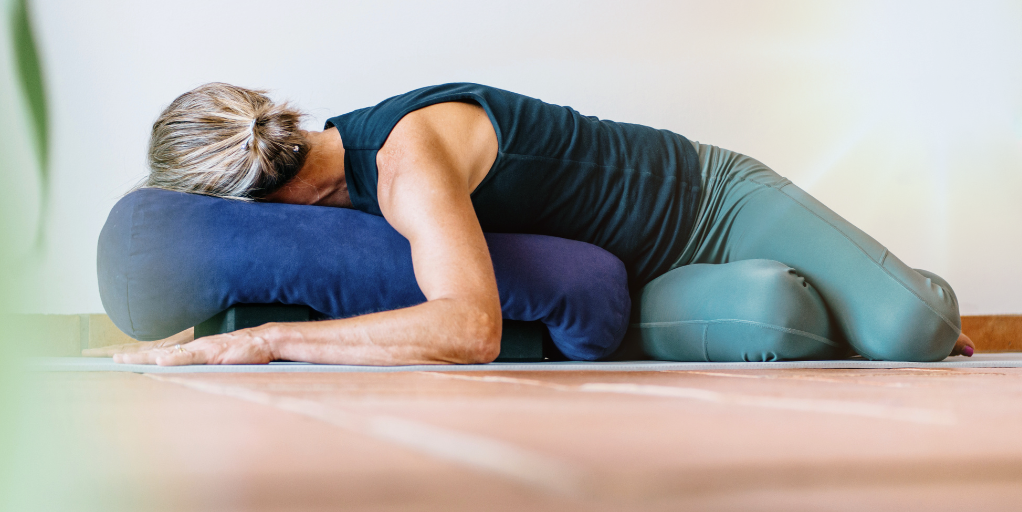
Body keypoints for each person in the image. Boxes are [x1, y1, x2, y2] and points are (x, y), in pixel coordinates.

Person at [97, 82, 974, 366]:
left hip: (712, 199)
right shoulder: (336, 194)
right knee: (786, 320)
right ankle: (853, 312)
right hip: (646, 290)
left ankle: (892, 302)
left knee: (917, 325)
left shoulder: (404, 165)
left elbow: (470, 328)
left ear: (251, 199)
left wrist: (267, 343)